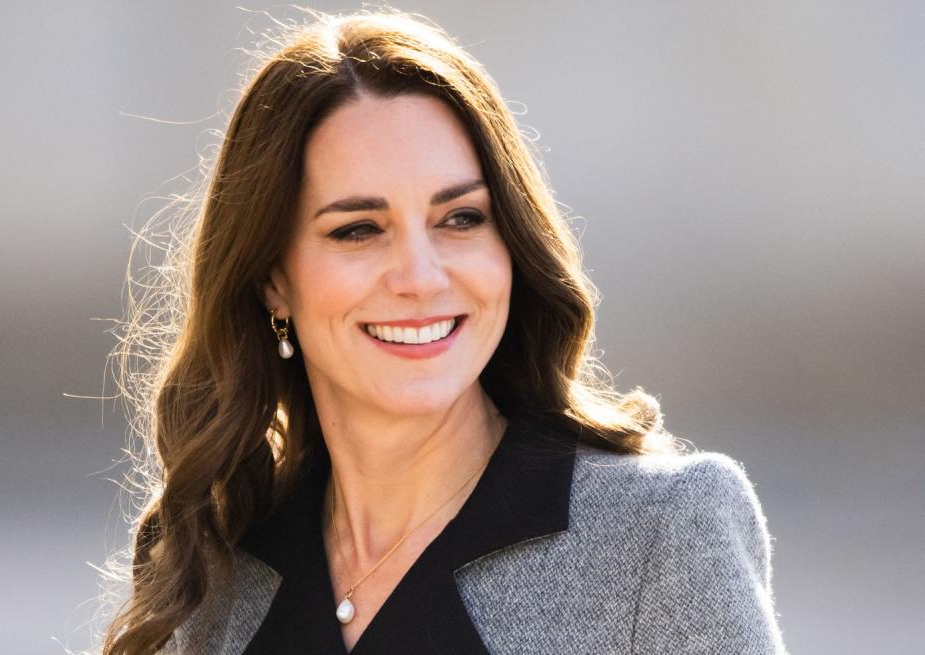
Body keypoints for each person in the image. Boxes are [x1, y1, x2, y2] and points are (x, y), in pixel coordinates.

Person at [99, 8, 788, 655]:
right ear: (272, 278)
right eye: (359, 230)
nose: (421, 276)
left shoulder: (661, 534)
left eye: (460, 218)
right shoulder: (214, 572)